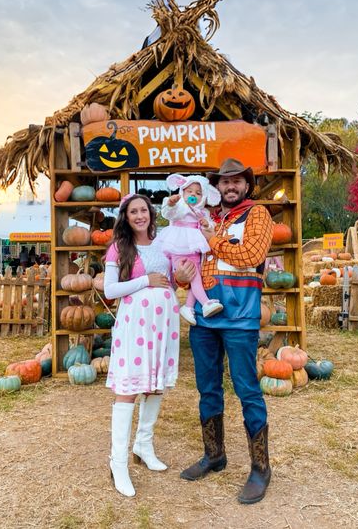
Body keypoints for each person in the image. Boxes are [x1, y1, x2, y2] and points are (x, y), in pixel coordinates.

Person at [179, 158, 273, 505]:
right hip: (205, 318)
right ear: (215, 186)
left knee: (247, 389)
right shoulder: (205, 216)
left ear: (247, 186)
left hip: (240, 316)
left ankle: (260, 468)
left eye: (237, 181)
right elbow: (192, 263)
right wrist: (183, 275)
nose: (230, 187)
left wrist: (212, 239)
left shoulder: (257, 215)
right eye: (224, 182)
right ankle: (214, 454)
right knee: (207, 388)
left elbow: (251, 252)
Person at [104, 193, 195, 497]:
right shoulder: (119, 248)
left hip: (163, 323)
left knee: (155, 386)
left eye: (144, 210)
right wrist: (145, 281)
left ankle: (143, 445)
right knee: (128, 390)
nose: (140, 215)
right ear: (126, 217)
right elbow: (110, 289)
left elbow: (173, 281)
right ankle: (118, 462)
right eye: (134, 212)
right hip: (135, 325)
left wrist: (180, 279)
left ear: (151, 214)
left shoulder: (164, 243)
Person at [157, 174, 223, 325]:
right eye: (189, 191)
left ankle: (188, 306)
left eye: (198, 193)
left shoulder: (203, 212)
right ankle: (205, 303)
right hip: (178, 245)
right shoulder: (179, 206)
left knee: (196, 276)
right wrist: (172, 203)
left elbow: (210, 226)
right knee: (187, 275)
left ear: (204, 197)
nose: (193, 194)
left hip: (193, 248)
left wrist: (206, 224)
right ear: (182, 192)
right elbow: (168, 213)